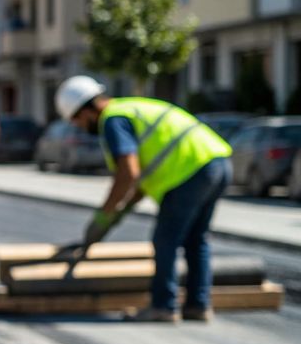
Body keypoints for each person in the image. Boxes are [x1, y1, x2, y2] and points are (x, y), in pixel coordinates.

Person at [56, 76, 233, 323]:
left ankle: (164, 306)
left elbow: (128, 172)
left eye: (77, 121)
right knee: (196, 239)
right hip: (217, 162)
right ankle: (198, 305)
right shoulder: (128, 108)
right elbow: (137, 186)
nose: (80, 127)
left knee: (165, 240)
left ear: (85, 110)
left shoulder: (112, 120)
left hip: (190, 171)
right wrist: (118, 213)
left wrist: (103, 216)